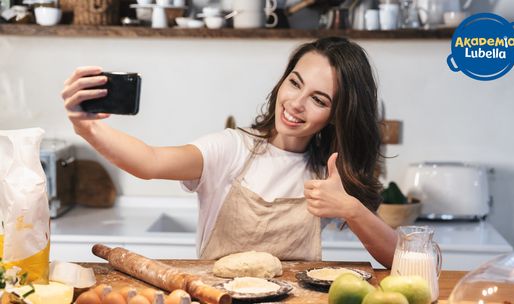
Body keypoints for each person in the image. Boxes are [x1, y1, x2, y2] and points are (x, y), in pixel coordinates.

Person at [61, 37, 397, 268]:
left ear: (336, 116)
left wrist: (351, 208)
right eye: (295, 83)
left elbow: (399, 258)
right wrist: (86, 127)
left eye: (319, 99)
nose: (296, 103)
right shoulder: (231, 149)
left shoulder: (329, 172)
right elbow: (150, 161)